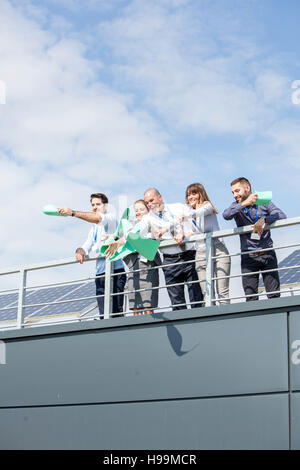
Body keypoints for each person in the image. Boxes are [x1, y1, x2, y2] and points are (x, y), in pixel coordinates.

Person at [58, 193, 126, 317]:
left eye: (98, 204)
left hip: (115, 272)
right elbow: (86, 246)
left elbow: (98, 218)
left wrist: (72, 213)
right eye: (93, 205)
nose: (94, 207)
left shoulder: (110, 218)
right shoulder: (94, 228)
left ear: (106, 206)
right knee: (103, 314)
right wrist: (79, 251)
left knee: (116, 313)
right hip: (100, 274)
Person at [222, 177, 286, 301]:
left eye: (237, 191)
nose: (235, 195)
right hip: (248, 257)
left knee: (274, 296)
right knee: (250, 299)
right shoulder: (236, 206)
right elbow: (226, 215)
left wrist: (264, 220)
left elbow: (281, 215)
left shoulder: (263, 201)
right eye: (233, 192)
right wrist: (244, 204)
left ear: (247, 188)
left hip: (267, 254)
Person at [142, 188, 203, 311]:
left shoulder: (178, 207)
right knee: (176, 302)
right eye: (147, 203)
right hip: (170, 262)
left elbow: (195, 223)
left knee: (197, 297)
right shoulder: (147, 219)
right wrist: (153, 235)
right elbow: (141, 237)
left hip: (189, 255)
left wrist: (185, 232)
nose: (149, 205)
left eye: (151, 200)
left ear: (160, 197)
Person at [104, 199, 161, 316]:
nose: (138, 212)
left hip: (147, 265)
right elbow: (122, 233)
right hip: (133, 266)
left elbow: (136, 235)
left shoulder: (151, 221)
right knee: (135, 303)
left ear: (148, 210)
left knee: (147, 302)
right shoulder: (132, 225)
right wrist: (113, 237)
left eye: (141, 209)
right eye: (136, 210)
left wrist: (123, 241)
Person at [185, 183, 231, 304]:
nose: (190, 197)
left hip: (218, 249)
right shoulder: (189, 214)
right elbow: (190, 231)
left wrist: (185, 214)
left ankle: (226, 318)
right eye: (188, 195)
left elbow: (201, 212)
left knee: (222, 292)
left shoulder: (207, 206)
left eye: (193, 193)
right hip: (200, 252)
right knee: (207, 293)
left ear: (201, 194)